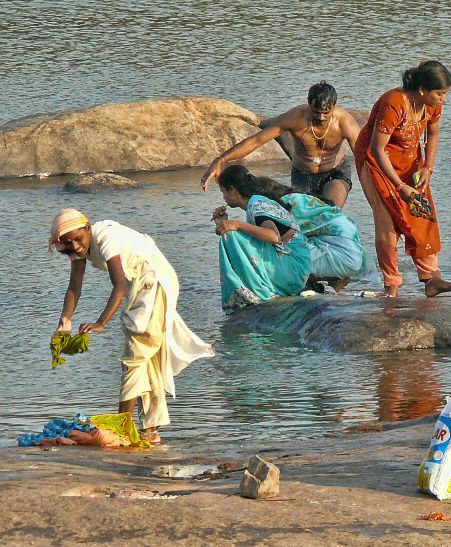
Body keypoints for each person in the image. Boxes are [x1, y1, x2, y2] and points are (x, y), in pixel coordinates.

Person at [50, 209, 214, 444]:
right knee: (146, 360)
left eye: (78, 239)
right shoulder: (77, 249)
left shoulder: (106, 238)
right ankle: (150, 430)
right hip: (141, 285)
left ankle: (122, 426)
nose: (75, 246)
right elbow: (74, 286)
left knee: (135, 355)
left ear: (88, 228)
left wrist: (101, 323)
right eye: (68, 243)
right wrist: (65, 321)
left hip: (154, 281)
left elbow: (119, 286)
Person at [353, 61, 451, 298]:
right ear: (422, 89)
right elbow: (377, 148)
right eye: (440, 94)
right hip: (376, 161)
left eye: (445, 94)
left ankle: (431, 279)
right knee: (387, 221)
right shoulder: (394, 103)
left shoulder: (432, 106)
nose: (443, 99)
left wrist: (428, 169)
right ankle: (391, 285)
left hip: (410, 160)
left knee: (422, 213)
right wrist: (399, 186)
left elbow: (432, 133)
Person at [201, 82, 362, 208]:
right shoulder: (295, 117)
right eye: (316, 111)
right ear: (308, 104)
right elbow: (256, 141)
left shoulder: (345, 122)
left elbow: (364, 157)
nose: (320, 117)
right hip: (302, 175)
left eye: (326, 112)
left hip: (334, 172)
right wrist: (220, 160)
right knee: (303, 219)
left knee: (329, 212)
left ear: (334, 106)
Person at [212, 165, 312, 313]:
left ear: (232, 189)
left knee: (231, 236)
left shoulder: (257, 205)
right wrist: (224, 223)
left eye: (224, 192)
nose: (224, 198)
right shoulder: (257, 201)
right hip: (296, 266)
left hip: (294, 268)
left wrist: (237, 224)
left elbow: (274, 236)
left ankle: (257, 293)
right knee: (231, 233)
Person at [256, 176, 377, 291]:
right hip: (354, 255)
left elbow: (278, 238)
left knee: (280, 252)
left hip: (343, 257)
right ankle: (333, 282)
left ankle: (327, 279)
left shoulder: (284, 203)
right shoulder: (300, 197)